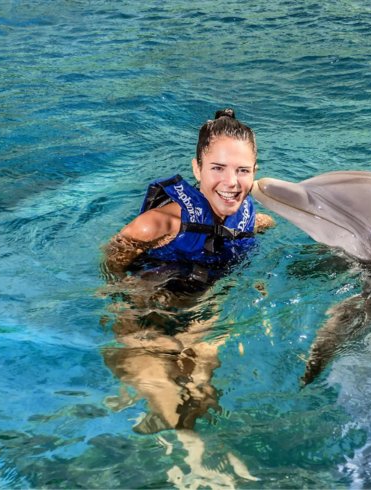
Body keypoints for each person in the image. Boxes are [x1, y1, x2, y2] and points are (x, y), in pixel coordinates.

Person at [99, 109, 274, 442]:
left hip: (203, 310)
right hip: (149, 309)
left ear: (254, 173)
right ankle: (175, 446)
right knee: (162, 388)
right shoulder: (157, 224)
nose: (231, 182)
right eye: (218, 169)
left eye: (242, 170)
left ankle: (192, 450)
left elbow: (265, 226)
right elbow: (111, 265)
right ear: (197, 169)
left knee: (202, 386)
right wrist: (125, 314)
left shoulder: (251, 220)